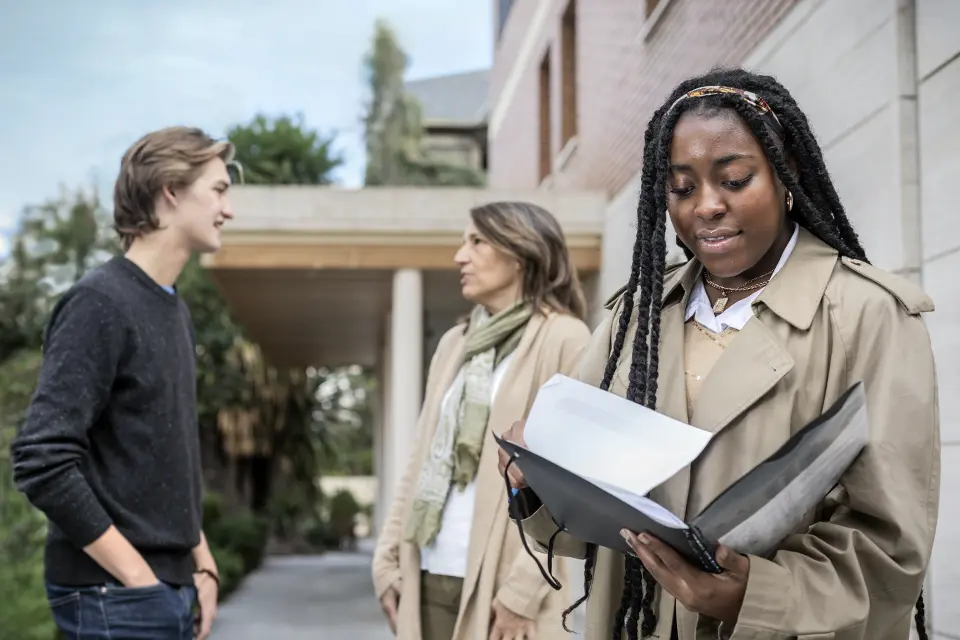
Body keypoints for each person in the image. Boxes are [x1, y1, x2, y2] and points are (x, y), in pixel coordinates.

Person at [499, 69, 939, 640]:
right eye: (681, 189)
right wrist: (536, 482)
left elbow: (889, 542)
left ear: (787, 175)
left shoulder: (866, 314)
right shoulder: (636, 316)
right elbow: (591, 518)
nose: (705, 206)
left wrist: (752, 594)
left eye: (733, 180)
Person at [11, 126, 236, 640]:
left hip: (164, 589)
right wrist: (138, 579)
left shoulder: (172, 309)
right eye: (219, 190)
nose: (229, 209)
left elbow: (160, 457)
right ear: (171, 191)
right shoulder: (100, 303)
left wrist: (200, 562)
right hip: (114, 595)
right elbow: (40, 459)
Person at [372, 201, 593, 640]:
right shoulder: (457, 343)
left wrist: (521, 596)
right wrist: (385, 559)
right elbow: (421, 457)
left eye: (476, 242)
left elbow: (573, 484)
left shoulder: (565, 338)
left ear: (519, 253)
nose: (460, 256)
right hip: (427, 575)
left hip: (506, 594)